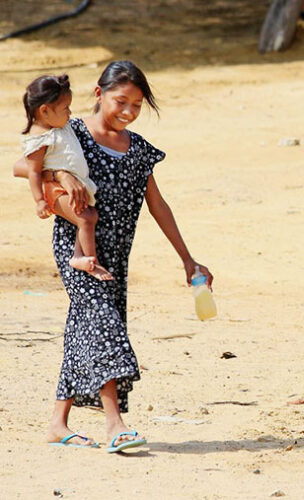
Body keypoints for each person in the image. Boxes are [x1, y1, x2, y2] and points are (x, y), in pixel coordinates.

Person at [13, 60, 213, 453]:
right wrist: (60, 177)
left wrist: (189, 260)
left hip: (117, 254)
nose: (128, 111)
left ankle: (58, 423)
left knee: (84, 328)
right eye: (121, 101)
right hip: (78, 252)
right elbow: (23, 164)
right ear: (99, 94)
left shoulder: (137, 150)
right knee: (104, 325)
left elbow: (158, 206)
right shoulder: (71, 133)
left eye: (137, 105)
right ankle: (115, 424)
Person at [20, 74, 113, 281]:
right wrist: (40, 201)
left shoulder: (60, 127)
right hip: (56, 191)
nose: (70, 113)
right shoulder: (40, 139)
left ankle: (78, 256)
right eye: (65, 109)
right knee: (86, 219)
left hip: (74, 186)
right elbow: (33, 172)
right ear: (45, 110)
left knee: (91, 216)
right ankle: (91, 262)